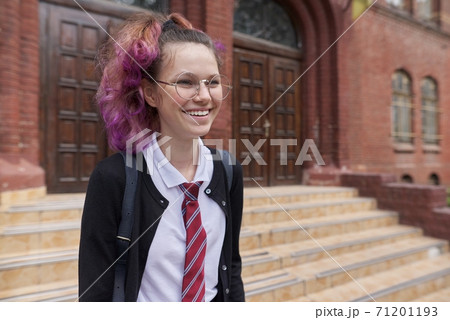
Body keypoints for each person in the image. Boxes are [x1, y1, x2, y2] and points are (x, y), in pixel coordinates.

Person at [78, 12, 245, 302]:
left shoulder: (228, 171)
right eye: (186, 82)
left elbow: (230, 268)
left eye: (213, 82)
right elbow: (96, 292)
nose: (204, 96)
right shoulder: (114, 178)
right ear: (151, 94)